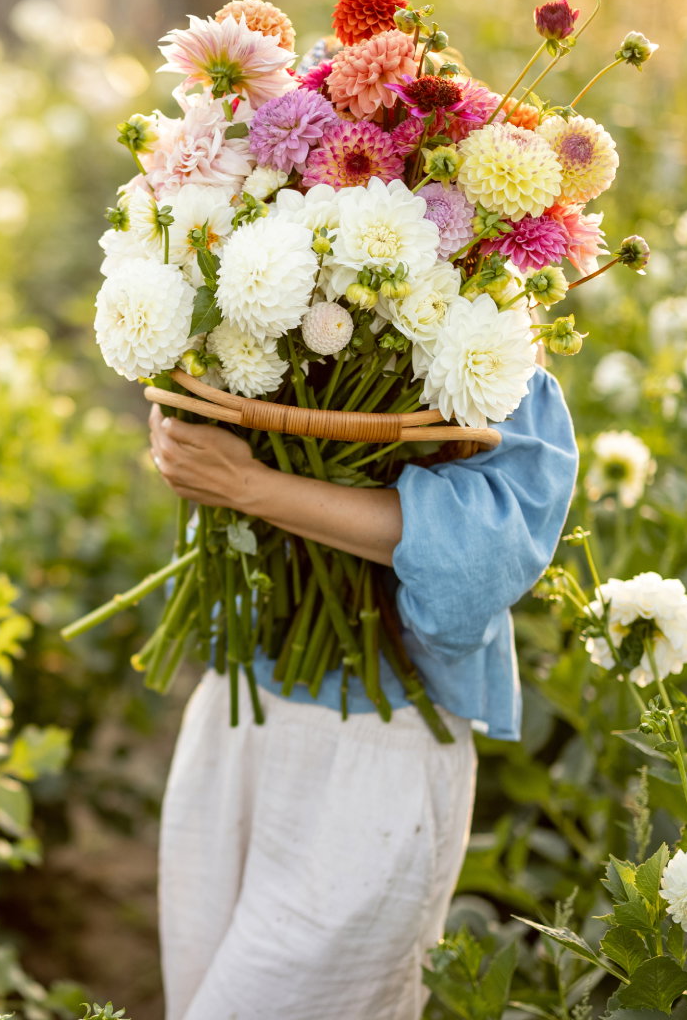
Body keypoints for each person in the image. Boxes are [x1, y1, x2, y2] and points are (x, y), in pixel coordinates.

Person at [146, 362, 577, 1019]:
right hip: (233, 709)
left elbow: (480, 557)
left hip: (379, 744)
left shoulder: (497, 345)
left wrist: (251, 487)